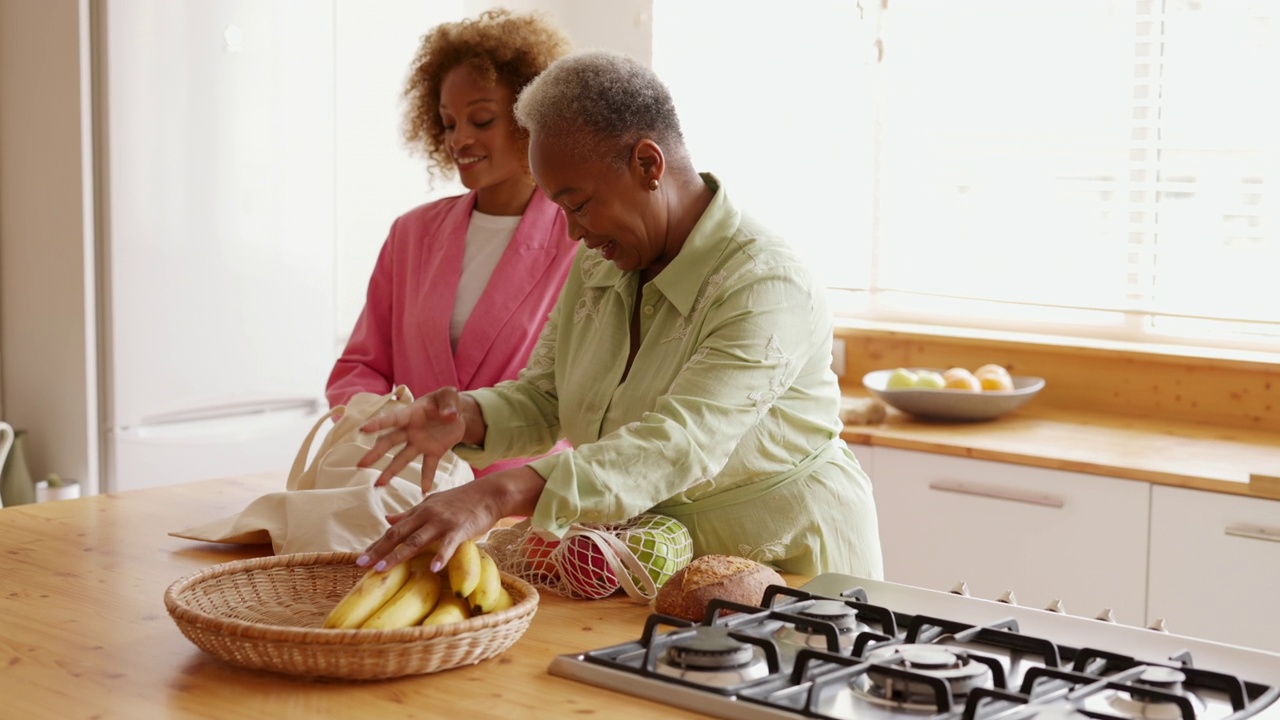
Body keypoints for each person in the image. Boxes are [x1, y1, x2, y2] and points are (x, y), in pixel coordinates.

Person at [353, 50, 884, 581]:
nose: (572, 233)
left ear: (648, 165)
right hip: (654, 564)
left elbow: (680, 443)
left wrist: (496, 493)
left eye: (578, 204)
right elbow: (545, 397)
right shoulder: (599, 264)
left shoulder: (765, 284)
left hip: (795, 573)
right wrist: (467, 415)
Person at [325, 9, 576, 479]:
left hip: (524, 507)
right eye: (447, 123)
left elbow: (585, 396)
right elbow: (360, 367)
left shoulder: (580, 241)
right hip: (402, 489)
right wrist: (389, 423)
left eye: (481, 119)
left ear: (532, 117)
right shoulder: (411, 234)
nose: (460, 138)